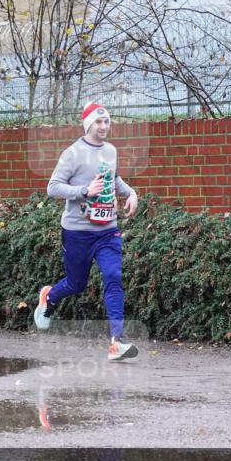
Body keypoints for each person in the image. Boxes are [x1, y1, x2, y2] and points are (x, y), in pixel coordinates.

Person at [34, 102, 139, 361]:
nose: (103, 127)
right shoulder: (73, 153)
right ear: (88, 124)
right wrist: (83, 191)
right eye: (98, 122)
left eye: (107, 122)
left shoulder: (111, 151)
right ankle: (49, 297)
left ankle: (117, 341)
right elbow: (53, 187)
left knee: (113, 276)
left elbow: (113, 178)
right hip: (77, 231)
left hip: (107, 230)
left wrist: (131, 192)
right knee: (76, 283)